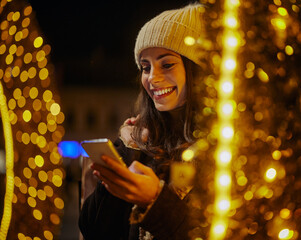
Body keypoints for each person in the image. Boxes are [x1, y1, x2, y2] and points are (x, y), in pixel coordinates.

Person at [79, 3, 206, 240]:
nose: (152, 78)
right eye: (145, 67)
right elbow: (93, 229)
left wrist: (155, 200)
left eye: (166, 64)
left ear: (198, 70)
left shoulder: (225, 147)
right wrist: (125, 155)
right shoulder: (139, 139)